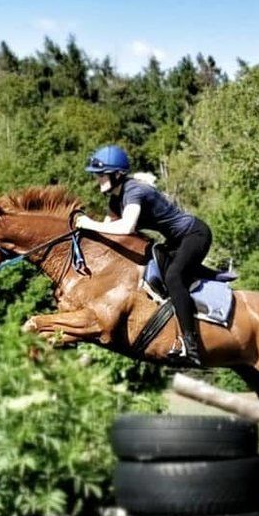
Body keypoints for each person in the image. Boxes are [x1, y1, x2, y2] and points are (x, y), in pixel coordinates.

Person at [74, 144, 212, 367]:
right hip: (176, 242)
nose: (97, 179)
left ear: (117, 174)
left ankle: (191, 344)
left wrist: (89, 223)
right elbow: (106, 230)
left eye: (101, 174)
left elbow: (127, 227)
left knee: (173, 277)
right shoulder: (114, 200)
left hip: (195, 234)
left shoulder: (134, 191)